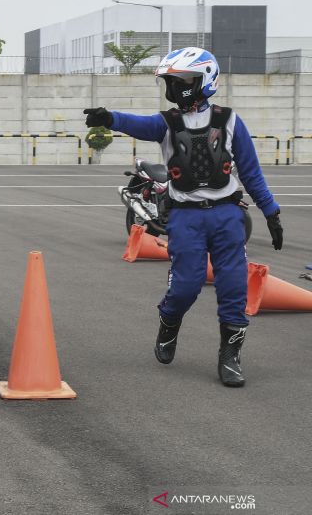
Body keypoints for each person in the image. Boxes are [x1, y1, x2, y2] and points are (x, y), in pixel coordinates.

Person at [83, 47, 284, 387]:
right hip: (186, 218)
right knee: (185, 287)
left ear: (203, 80)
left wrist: (272, 213)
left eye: (180, 82)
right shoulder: (166, 124)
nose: (174, 89)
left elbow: (251, 172)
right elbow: (139, 123)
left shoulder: (229, 120)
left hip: (227, 216)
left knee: (234, 287)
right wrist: (109, 118)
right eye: (170, 83)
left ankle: (230, 356)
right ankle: (169, 321)